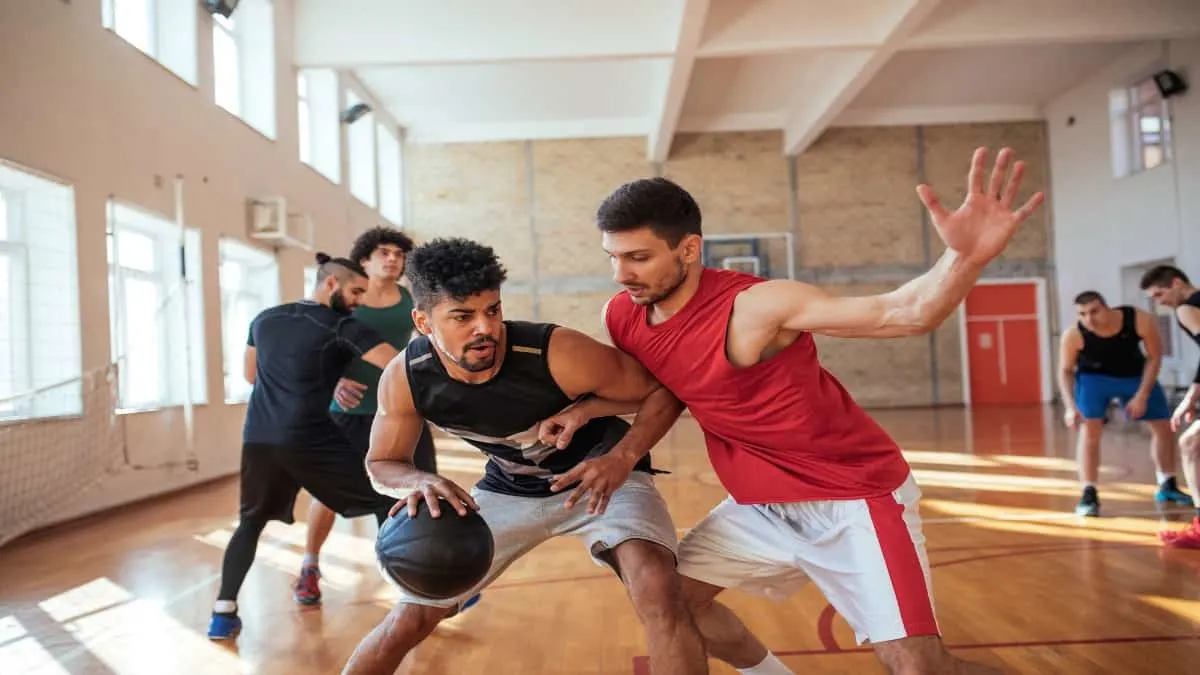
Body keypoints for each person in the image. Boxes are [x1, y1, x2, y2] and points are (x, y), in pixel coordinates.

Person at [542, 147, 1041, 675]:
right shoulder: (624, 315)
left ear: (689, 249)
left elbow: (905, 312)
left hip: (853, 497)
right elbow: (666, 385)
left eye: (638, 257)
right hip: (760, 503)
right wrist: (588, 408)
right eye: (612, 257)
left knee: (920, 667)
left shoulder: (758, 306)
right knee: (670, 602)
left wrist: (966, 258)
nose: (621, 274)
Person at [340, 238, 708, 675]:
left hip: (604, 474)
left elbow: (661, 390)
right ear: (423, 321)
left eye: (492, 310)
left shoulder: (554, 352)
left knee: (658, 587)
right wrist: (416, 481)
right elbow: (382, 463)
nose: (485, 328)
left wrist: (622, 455)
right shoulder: (407, 376)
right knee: (410, 616)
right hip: (508, 488)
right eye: (463, 316)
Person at [207, 253, 402, 641]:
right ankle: (416, 591)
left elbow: (251, 375)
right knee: (385, 500)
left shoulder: (264, 319)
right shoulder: (342, 326)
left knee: (250, 523)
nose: (359, 300)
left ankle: (222, 613)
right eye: (355, 291)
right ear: (331, 284)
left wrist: (324, 379)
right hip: (308, 437)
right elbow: (398, 366)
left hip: (259, 438)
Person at [292, 226, 447, 608]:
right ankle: (309, 567)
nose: (392, 259)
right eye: (383, 252)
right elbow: (307, 350)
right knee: (329, 494)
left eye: (398, 253)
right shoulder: (341, 300)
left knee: (418, 489)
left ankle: (424, 579)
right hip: (345, 411)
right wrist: (331, 383)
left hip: (398, 409)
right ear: (364, 260)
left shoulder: (409, 299)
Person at [1056, 290, 1191, 517]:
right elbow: (1065, 370)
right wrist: (1070, 406)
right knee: (1090, 430)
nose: (1089, 319)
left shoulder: (1138, 319)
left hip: (1134, 376)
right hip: (1094, 379)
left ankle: (1167, 484)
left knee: (1163, 427)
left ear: (1107, 308)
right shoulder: (1073, 335)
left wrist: (1142, 395)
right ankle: (1088, 493)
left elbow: (1154, 356)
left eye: (1094, 311)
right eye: (1082, 314)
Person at [1140, 264, 1200, 547]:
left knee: (1190, 444)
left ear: (1177, 283)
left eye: (1160, 294)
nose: (1159, 301)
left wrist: (1191, 397)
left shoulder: (1186, 309)